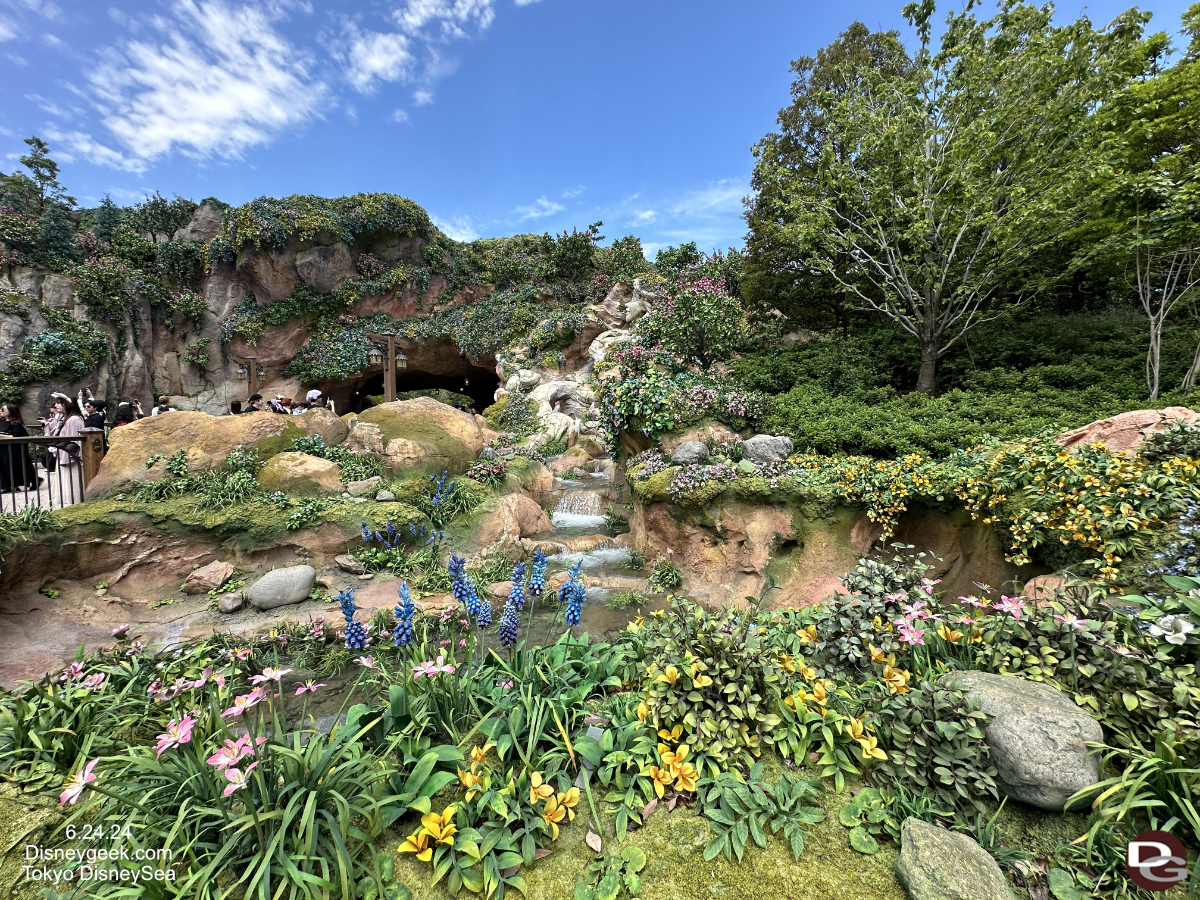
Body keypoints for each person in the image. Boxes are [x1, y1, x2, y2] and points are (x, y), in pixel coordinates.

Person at [42, 393, 85, 503]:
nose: (56, 406)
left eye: (59, 403)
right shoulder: (66, 418)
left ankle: (74, 500)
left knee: (71, 479)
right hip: (64, 453)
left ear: (67, 405)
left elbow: (73, 441)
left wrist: (69, 457)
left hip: (70, 456)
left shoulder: (74, 419)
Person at [0, 403, 38, 492]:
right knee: (3, 466)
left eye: (3, 409)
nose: (1, 411)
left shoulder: (16, 424)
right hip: (2, 448)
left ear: (10, 411)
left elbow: (16, 436)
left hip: (14, 449)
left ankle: (16, 484)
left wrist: (2, 436)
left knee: (16, 465)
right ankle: (6, 485)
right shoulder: (1, 422)